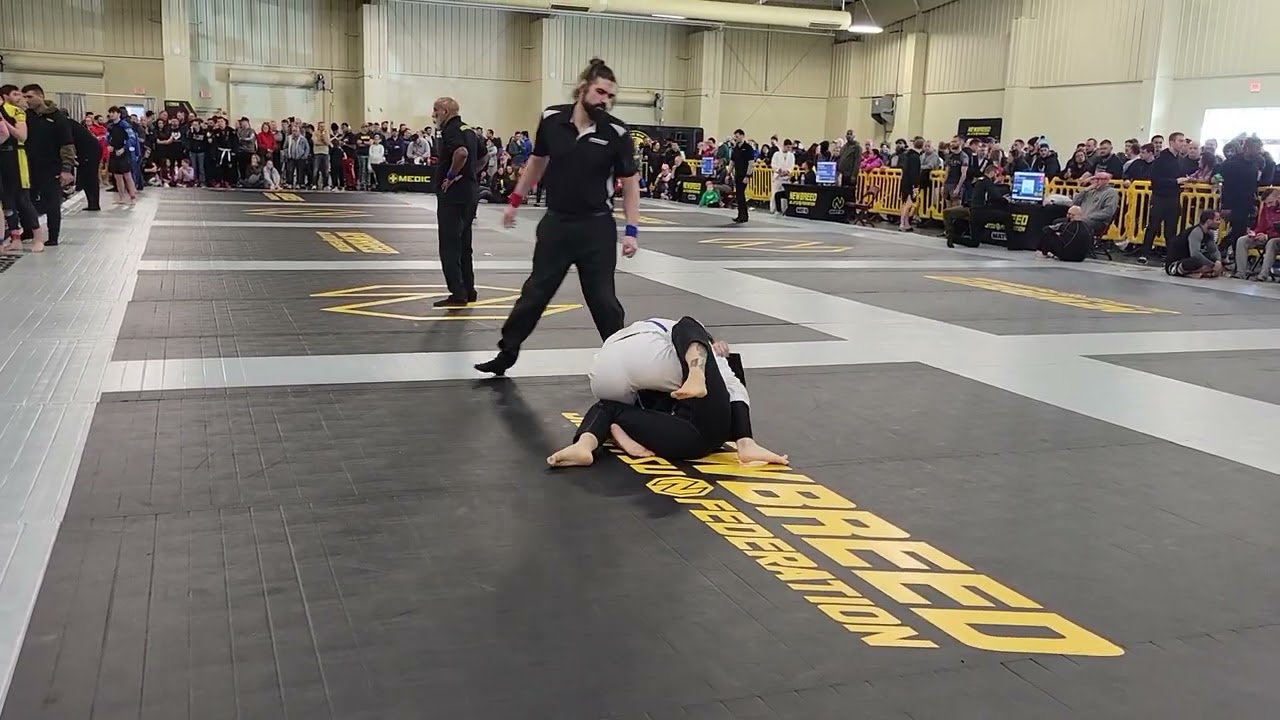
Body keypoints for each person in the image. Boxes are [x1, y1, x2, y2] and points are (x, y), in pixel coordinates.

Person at [474, 58, 640, 376]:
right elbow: (537, 162)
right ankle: (507, 353)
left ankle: (624, 364)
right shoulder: (551, 119)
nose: (605, 101)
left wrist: (631, 230)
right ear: (583, 88)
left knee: (603, 300)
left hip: (596, 228)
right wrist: (514, 200)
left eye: (610, 96)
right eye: (600, 92)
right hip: (557, 224)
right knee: (535, 293)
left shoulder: (617, 132)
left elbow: (630, 185)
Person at [548, 316, 787, 467]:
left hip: (605, 368)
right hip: (693, 440)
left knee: (607, 408)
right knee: (689, 323)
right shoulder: (699, 348)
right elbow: (734, 387)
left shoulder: (643, 334)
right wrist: (745, 440)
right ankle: (696, 373)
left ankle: (584, 445)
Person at [432, 97, 481, 307]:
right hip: (470, 193)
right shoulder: (469, 130)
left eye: (436, 110)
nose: (433, 115)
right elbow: (484, 157)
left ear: (445, 111)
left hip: (453, 196)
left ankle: (457, 292)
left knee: (449, 245)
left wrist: (451, 176)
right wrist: (470, 174)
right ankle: (469, 289)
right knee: (464, 244)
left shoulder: (450, 130)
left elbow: (461, 152)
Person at [20, 85, 75, 247]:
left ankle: (53, 236)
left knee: (52, 202)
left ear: (41, 96)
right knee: (26, 200)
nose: (27, 100)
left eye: (30, 97)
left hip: (51, 166)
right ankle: (28, 231)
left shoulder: (57, 117)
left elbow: (67, 144)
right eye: (24, 97)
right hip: (29, 165)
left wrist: (66, 168)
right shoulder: (26, 116)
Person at [0, 85, 44, 253]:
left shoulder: (17, 111)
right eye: (16, 94)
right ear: (5, 96)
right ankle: (15, 238)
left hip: (17, 156)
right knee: (7, 201)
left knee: (23, 199)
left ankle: (38, 238)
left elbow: (22, 136)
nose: (20, 97)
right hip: (2, 157)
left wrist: (4, 123)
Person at [1165, 209, 1223, 278]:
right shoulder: (1196, 232)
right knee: (1196, 260)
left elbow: (1214, 250)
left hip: (1188, 258)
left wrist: (1218, 261)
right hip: (1175, 264)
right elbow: (1195, 254)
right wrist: (1212, 265)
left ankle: (1199, 272)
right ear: (1208, 221)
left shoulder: (1209, 233)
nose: (1219, 222)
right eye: (1217, 220)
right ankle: (1198, 272)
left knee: (1211, 258)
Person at [730, 129, 753, 223]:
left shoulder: (748, 148)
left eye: (737, 136)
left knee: (741, 195)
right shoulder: (735, 148)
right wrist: (729, 172)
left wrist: (748, 175)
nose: (736, 138)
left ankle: (743, 215)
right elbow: (732, 161)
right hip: (737, 174)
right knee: (739, 196)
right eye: (735, 137)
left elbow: (751, 163)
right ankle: (741, 215)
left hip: (744, 175)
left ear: (742, 136)